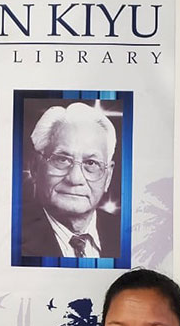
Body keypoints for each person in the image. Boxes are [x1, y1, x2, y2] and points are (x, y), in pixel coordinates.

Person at [21, 102, 120, 258]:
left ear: (108, 177)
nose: (75, 179)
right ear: (35, 168)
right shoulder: (11, 236)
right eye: (62, 160)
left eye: (91, 163)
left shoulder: (127, 233)